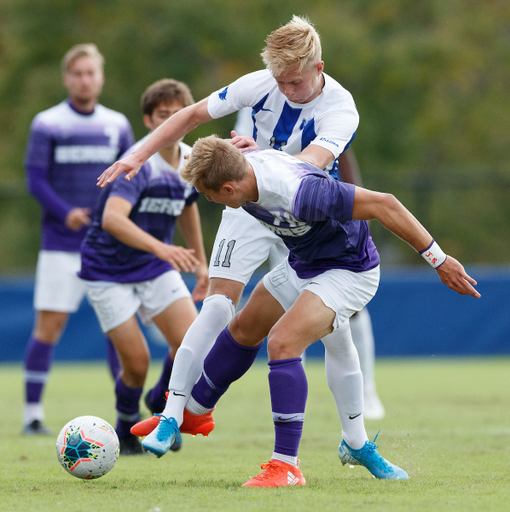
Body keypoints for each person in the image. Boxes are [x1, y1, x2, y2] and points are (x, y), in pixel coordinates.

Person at [143, 136, 480, 486]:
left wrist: (439, 260)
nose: (209, 200)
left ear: (229, 188)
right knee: (245, 327)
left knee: (283, 342)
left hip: (349, 271)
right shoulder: (244, 171)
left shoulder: (302, 193)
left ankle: (287, 466)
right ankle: (193, 414)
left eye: (209, 195)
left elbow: (386, 204)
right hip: (304, 263)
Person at [97, 16, 360, 422]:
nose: (286, 91)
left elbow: (309, 168)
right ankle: (173, 413)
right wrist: (138, 154)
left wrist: (261, 160)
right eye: (280, 82)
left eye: (295, 82)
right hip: (247, 200)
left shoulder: (341, 108)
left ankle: (355, 438)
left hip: (305, 214)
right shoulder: (259, 83)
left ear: (318, 68)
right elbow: (190, 116)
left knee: (336, 334)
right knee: (218, 304)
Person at [78, 79, 209, 454]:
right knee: (135, 364)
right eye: (163, 115)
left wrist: (199, 262)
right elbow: (112, 219)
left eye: (179, 115)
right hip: (108, 269)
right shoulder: (140, 159)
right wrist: (164, 249)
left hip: (154, 265)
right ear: (149, 121)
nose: (172, 122)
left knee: (191, 341)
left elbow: (187, 205)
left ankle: (159, 404)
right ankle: (124, 425)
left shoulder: (188, 159)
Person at [235, 107, 385, 419]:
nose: (287, 87)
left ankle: (364, 397)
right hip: (272, 217)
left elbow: (341, 155)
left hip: (317, 213)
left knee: (338, 316)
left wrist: (355, 200)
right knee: (284, 319)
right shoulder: (252, 105)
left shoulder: (323, 107)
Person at [23, 44, 134, 435]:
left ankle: (126, 414)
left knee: (117, 327)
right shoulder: (47, 122)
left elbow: (129, 178)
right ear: (67, 78)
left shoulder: (118, 124)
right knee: (48, 326)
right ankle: (32, 414)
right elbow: (35, 179)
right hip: (61, 243)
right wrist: (65, 212)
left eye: (91, 73)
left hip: (105, 246)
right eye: (77, 73)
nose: (84, 79)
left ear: (100, 77)